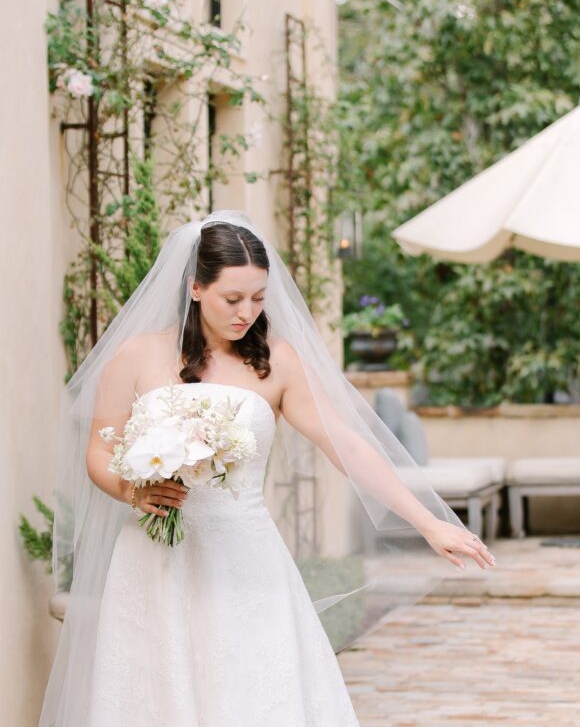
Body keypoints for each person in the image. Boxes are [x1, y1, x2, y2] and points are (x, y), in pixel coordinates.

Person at [39, 211, 495, 726]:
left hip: (245, 559)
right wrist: (131, 489)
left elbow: (346, 445)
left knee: (255, 691)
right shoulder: (136, 355)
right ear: (194, 288)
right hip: (154, 560)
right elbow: (100, 450)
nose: (247, 313)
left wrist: (429, 521)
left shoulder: (276, 362)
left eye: (258, 298)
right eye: (232, 299)